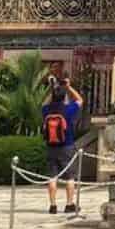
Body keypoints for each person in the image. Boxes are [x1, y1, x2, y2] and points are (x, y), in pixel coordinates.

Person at [42, 75, 83, 215]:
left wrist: (52, 89)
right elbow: (79, 100)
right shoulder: (68, 109)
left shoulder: (47, 110)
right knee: (70, 177)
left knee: (52, 176)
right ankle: (69, 204)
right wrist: (68, 86)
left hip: (51, 145)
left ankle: (53, 205)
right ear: (64, 97)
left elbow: (44, 104)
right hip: (67, 145)